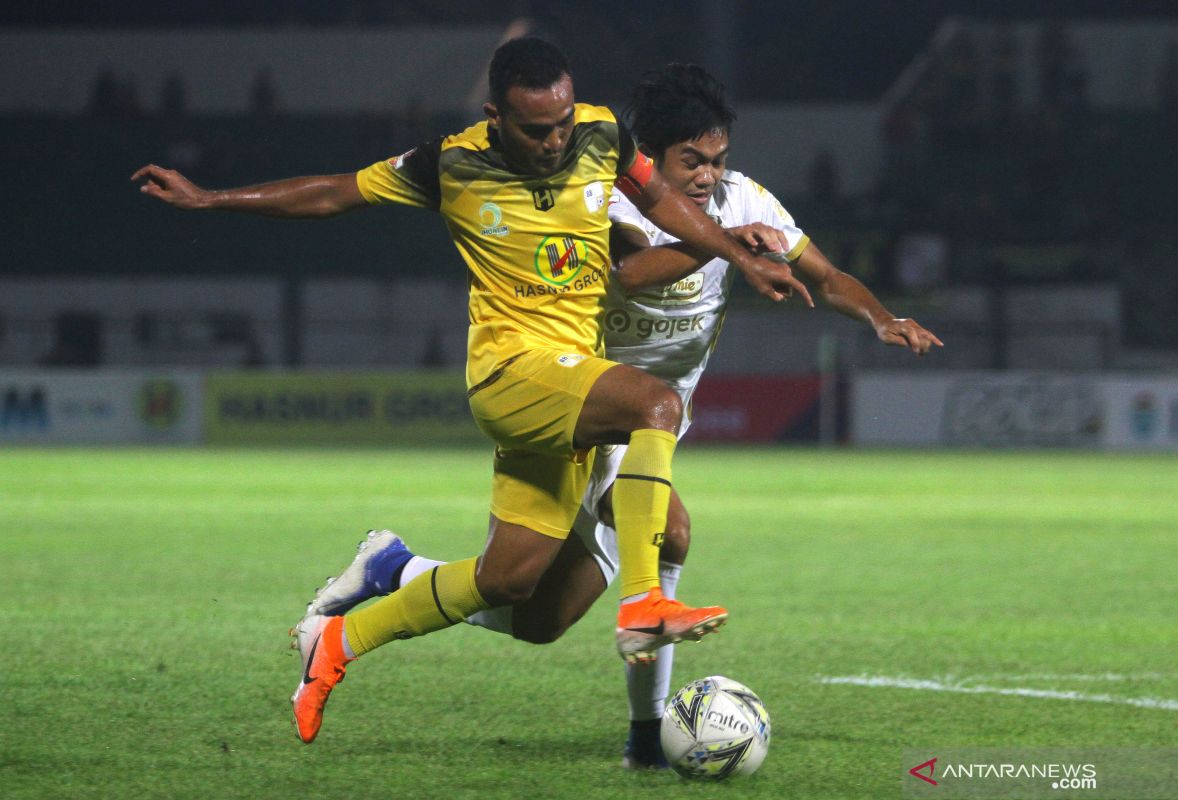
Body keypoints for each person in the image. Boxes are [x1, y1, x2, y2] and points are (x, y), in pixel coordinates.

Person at [131, 38, 808, 744]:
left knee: (514, 588)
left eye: (562, 122)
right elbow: (336, 191)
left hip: (571, 381)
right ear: (495, 116)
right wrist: (212, 199)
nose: (554, 141)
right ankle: (642, 604)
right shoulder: (450, 163)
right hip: (511, 371)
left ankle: (341, 637)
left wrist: (737, 254)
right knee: (656, 407)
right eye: (536, 128)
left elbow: (666, 202)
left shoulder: (603, 134)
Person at [303, 63, 942, 767]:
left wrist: (882, 318)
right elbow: (624, 274)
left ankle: (396, 567)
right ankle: (647, 735)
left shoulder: (745, 201)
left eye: (717, 160)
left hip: (643, 438)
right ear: (655, 159)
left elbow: (825, 274)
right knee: (672, 534)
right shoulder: (608, 201)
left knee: (535, 612)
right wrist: (721, 245)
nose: (706, 177)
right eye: (690, 161)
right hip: (579, 400)